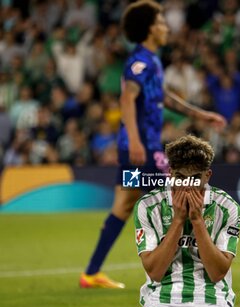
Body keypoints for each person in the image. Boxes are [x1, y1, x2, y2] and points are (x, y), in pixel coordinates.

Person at [79, 0, 225, 289]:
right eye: (160, 22)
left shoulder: (153, 61)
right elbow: (127, 99)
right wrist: (135, 140)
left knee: (123, 205)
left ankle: (91, 273)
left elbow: (165, 98)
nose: (166, 27)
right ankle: (184, 271)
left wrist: (200, 114)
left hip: (137, 148)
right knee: (178, 195)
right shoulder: (140, 62)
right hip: (142, 149)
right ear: (148, 29)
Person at [134, 135, 240, 307]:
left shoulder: (226, 207)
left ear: (207, 176)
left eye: (195, 178)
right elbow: (155, 271)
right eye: (180, 177)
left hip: (213, 302)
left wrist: (197, 220)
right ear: (170, 173)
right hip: (163, 301)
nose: (187, 186)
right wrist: (178, 220)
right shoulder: (149, 206)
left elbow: (217, 272)